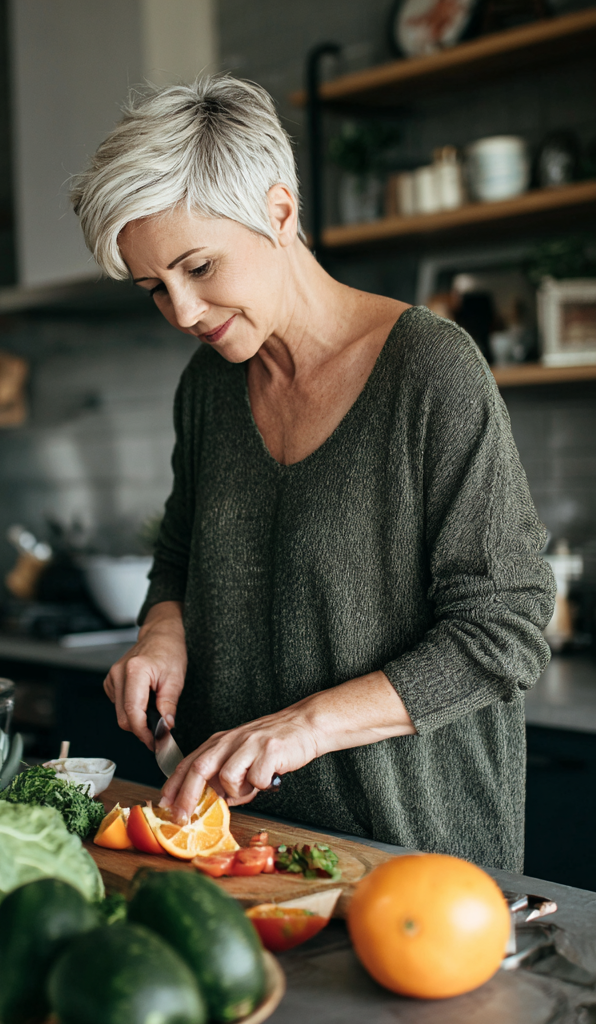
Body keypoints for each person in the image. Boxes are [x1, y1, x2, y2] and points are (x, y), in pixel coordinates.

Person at [69, 75, 555, 871]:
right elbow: (182, 557)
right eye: (157, 288)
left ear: (281, 212)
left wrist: (303, 725)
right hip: (245, 849)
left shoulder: (431, 371)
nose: (184, 313)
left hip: (411, 857)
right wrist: (162, 632)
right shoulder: (209, 386)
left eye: (199, 266)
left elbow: (505, 628)